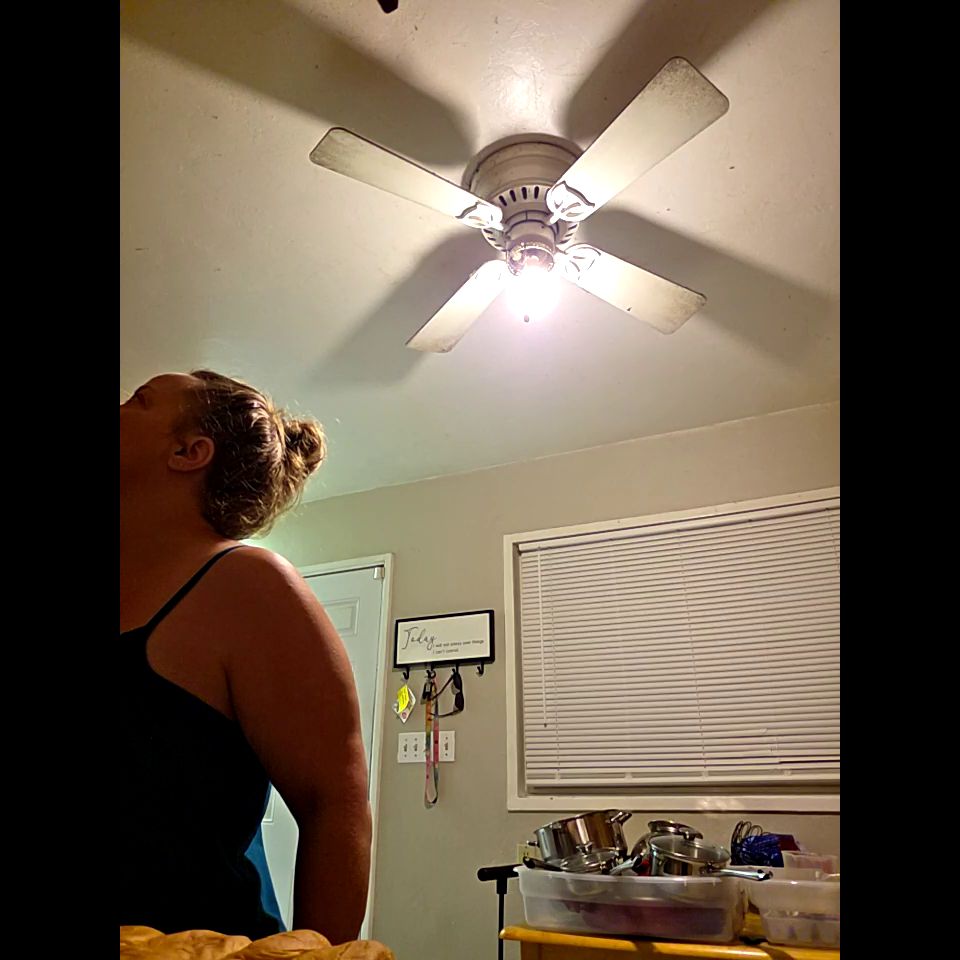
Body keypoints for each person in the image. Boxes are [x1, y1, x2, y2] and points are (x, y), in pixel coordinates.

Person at [119, 370, 372, 943]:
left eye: (139, 400)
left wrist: (315, 957)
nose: (121, 407)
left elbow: (334, 801)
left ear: (189, 452)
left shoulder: (249, 584)